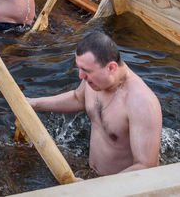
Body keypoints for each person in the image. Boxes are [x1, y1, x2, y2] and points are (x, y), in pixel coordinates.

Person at [28, 31, 163, 176]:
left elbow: (145, 168)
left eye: (86, 71)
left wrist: (95, 189)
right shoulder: (94, 79)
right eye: (79, 68)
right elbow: (78, 98)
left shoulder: (142, 103)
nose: (81, 76)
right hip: (93, 176)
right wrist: (34, 103)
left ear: (111, 68)